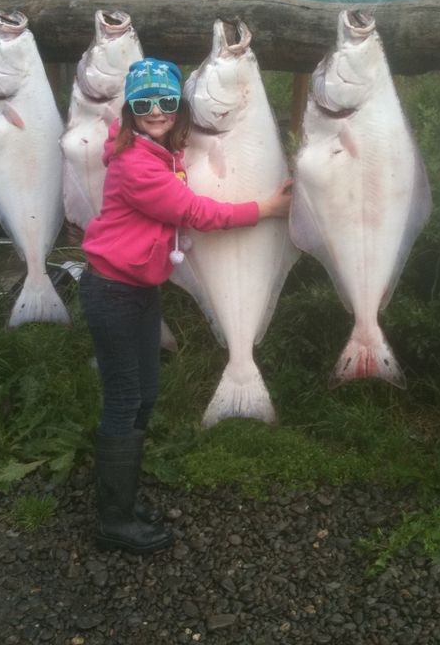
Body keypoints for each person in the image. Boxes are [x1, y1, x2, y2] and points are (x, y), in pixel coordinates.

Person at [79, 58, 292, 555]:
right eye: (145, 103)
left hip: (138, 290)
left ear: (179, 108)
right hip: (111, 292)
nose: (157, 111)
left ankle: (125, 504)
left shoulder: (159, 154)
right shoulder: (135, 165)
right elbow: (194, 212)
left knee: (147, 393)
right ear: (131, 111)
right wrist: (267, 209)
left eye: (167, 102)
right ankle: (113, 520)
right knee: (125, 399)